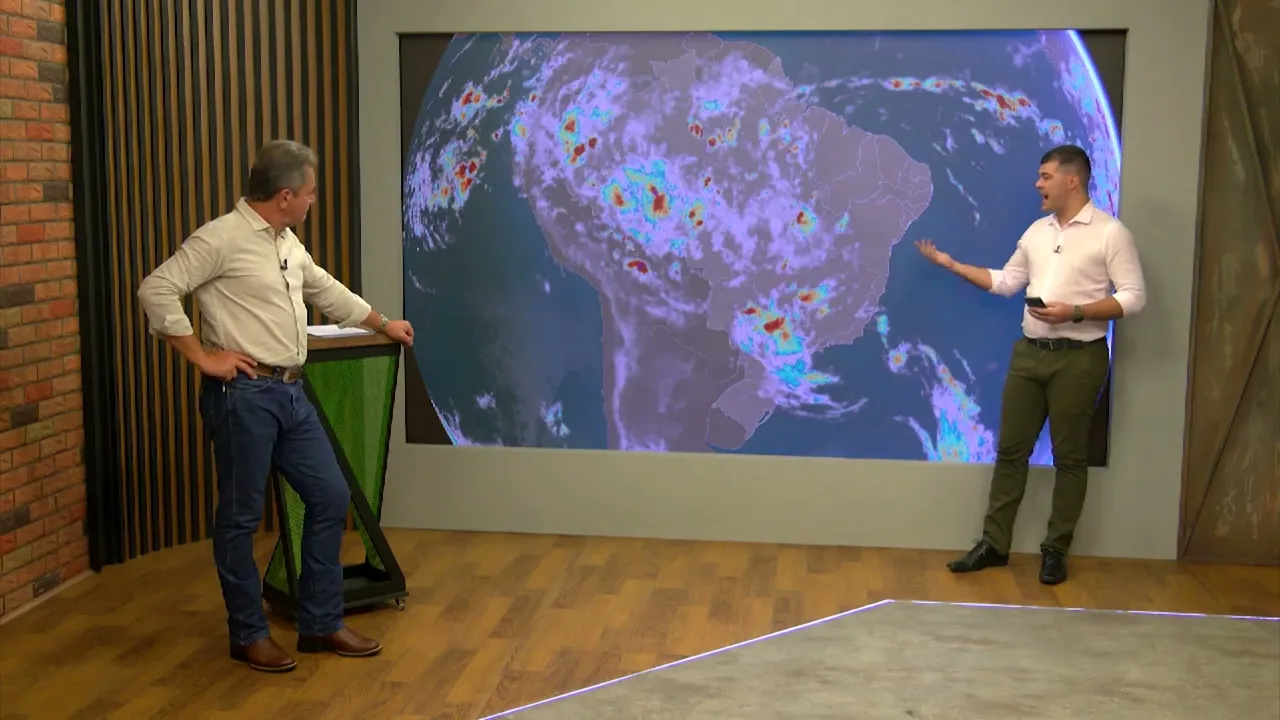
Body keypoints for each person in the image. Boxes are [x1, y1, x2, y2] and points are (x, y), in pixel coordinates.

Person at [137, 139, 415, 672]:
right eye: (310, 193)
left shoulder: (286, 242)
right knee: (240, 519)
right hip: (243, 396)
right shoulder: (221, 238)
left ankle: (321, 623)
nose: (313, 201)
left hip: (291, 392)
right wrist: (203, 357)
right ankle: (248, 634)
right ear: (285, 195)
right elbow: (157, 290)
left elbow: (325, 289)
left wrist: (383, 323)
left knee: (330, 496)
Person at [915, 144, 1145, 585]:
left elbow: (1134, 297)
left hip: (1079, 359)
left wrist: (1075, 313)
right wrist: (951, 265)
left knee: (1069, 458)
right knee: (1010, 452)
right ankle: (994, 545)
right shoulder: (1037, 232)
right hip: (1029, 354)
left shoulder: (1110, 234)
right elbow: (1006, 282)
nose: (1037, 184)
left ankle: (1055, 551)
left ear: (1072, 181)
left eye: (1045, 176)